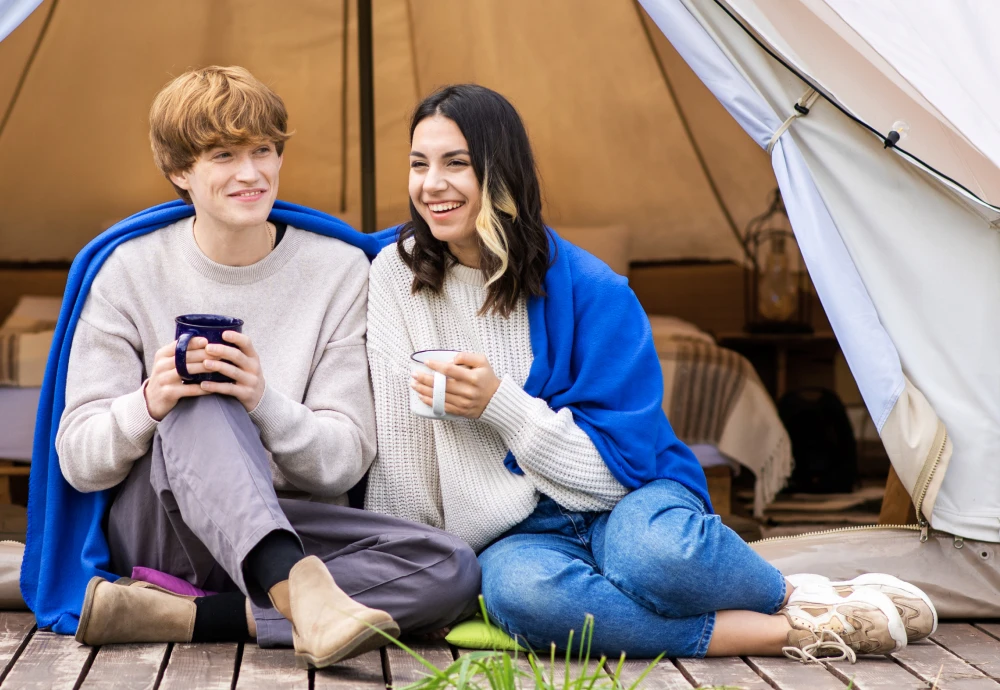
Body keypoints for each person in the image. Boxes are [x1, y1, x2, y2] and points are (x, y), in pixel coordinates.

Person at [363, 83, 936, 661]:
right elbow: (402, 448)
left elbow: (621, 473)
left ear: (500, 170)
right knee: (523, 596)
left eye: (456, 163)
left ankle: (795, 594)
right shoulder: (395, 277)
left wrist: (502, 406)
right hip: (514, 534)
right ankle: (795, 630)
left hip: (626, 500)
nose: (431, 184)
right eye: (419, 164)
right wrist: (418, 573)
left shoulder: (593, 292)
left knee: (658, 557)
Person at [54, 66, 479, 668]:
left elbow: (343, 460)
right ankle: (302, 599)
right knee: (202, 390)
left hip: (294, 519)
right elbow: (78, 460)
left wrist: (264, 401)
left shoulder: (337, 271)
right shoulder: (127, 270)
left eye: (262, 151)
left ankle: (193, 614)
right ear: (179, 171)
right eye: (223, 156)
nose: (251, 173)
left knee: (451, 567)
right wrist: (151, 401)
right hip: (168, 527)